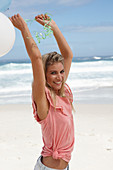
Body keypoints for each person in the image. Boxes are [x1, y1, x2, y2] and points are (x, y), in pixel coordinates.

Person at [10, 13, 75, 170]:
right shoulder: (44, 100)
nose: (59, 77)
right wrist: (23, 28)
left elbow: (68, 55)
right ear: (44, 76)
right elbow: (37, 58)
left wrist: (53, 27)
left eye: (61, 72)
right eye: (53, 73)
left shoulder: (63, 95)